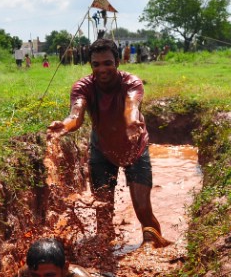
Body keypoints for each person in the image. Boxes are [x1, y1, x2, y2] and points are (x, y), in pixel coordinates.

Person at [47, 37, 170, 247]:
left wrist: (132, 122)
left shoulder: (131, 82)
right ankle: (107, 258)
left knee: (143, 211)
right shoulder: (83, 87)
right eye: (96, 64)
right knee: (102, 211)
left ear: (117, 63)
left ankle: (156, 250)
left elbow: (131, 105)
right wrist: (65, 126)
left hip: (135, 149)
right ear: (90, 65)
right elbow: (76, 115)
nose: (102, 69)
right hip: (102, 151)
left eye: (107, 63)